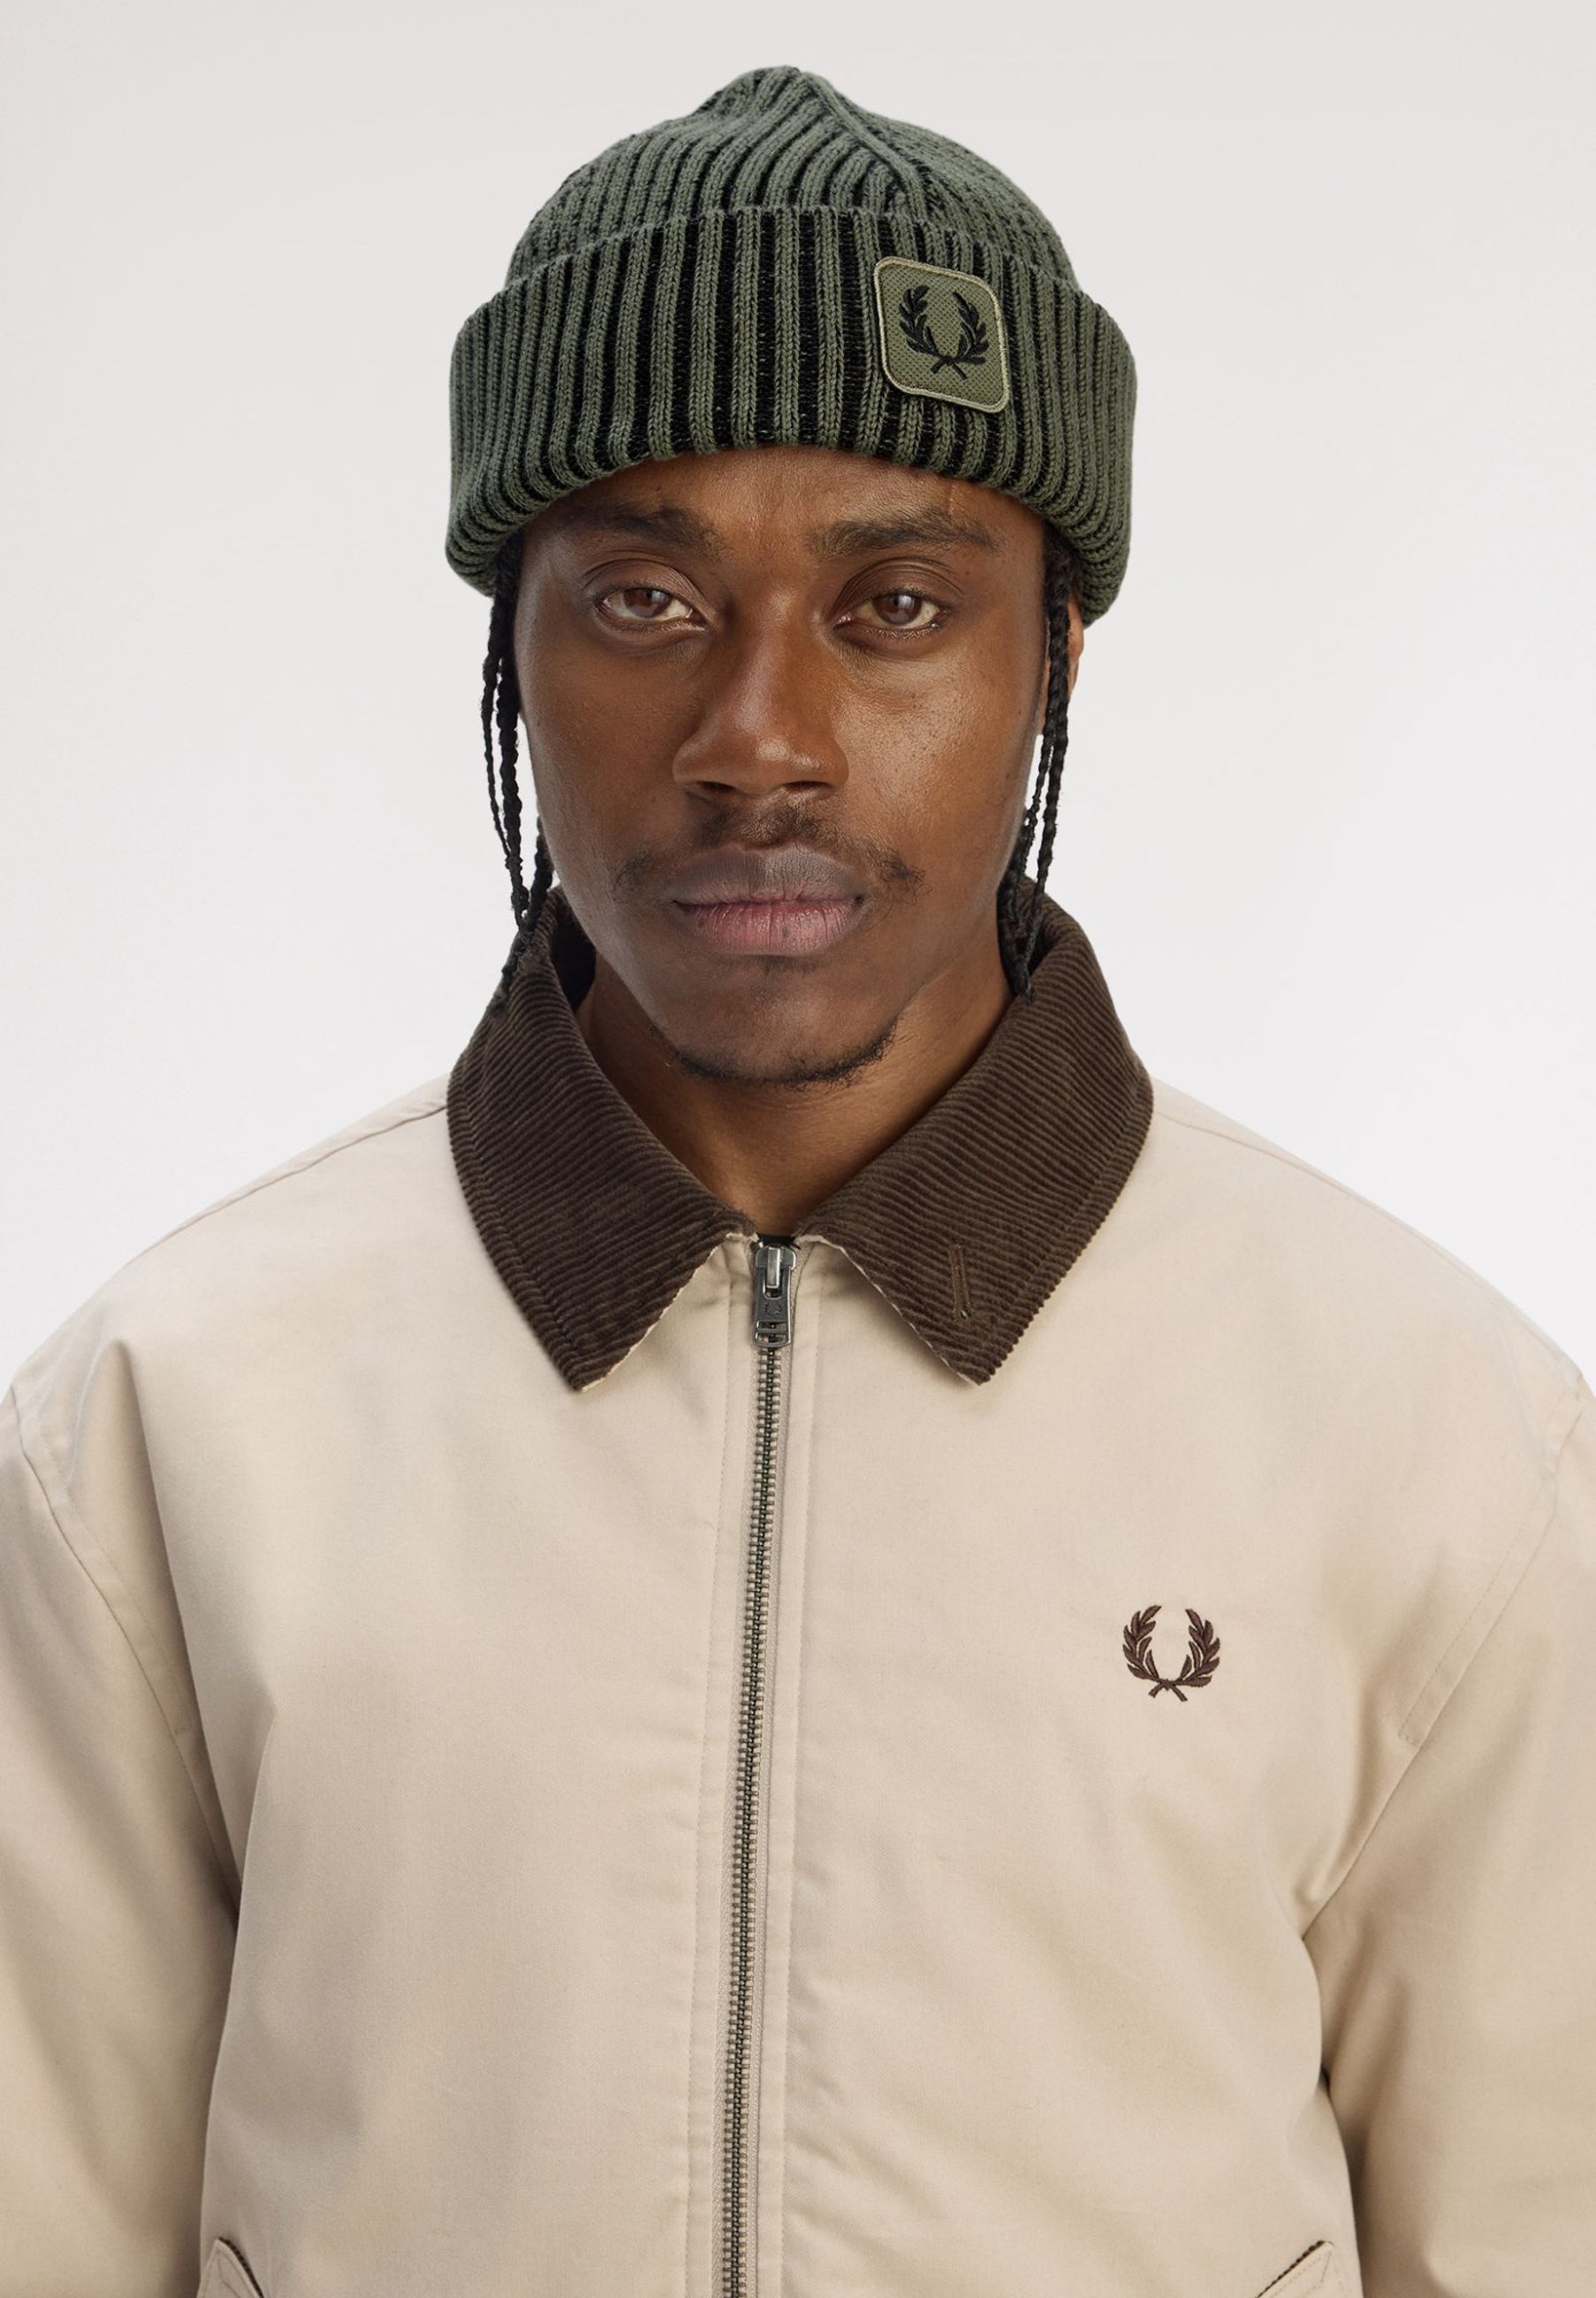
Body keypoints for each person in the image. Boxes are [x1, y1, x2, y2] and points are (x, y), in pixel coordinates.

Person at [1, 63, 1592, 2298]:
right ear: (510, 650)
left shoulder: (1436, 1441)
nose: (760, 736)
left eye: (898, 602)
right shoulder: (170, 1423)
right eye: (646, 597)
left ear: (1053, 654)